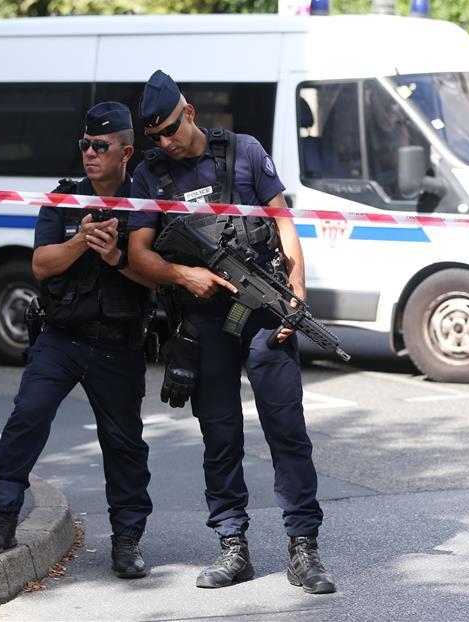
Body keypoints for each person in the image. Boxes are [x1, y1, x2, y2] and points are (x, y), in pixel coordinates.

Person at [127, 70, 336, 594]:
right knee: (219, 437)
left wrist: (296, 294)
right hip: (204, 323)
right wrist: (183, 274)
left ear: (189, 111)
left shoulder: (243, 152)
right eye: (155, 136)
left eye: (171, 129)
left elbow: (282, 220)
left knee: (287, 430)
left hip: (265, 316)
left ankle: (304, 548)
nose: (165, 142)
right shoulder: (150, 175)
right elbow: (137, 254)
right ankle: (232, 545)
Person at [0, 102, 153, 579]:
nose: (90, 154)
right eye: (85, 145)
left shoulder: (148, 201)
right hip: (62, 337)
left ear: (126, 152)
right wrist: (81, 240)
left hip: (118, 343)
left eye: (100, 146)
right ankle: (1, 519)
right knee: (27, 418)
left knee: (124, 445)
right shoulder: (64, 200)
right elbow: (40, 265)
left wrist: (115, 256)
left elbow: (157, 279)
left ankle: (128, 540)